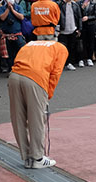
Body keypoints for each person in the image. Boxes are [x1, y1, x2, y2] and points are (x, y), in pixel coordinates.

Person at [8, 39, 68, 169]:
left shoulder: (30, 43)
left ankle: (27, 157)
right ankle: (37, 158)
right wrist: (47, 95)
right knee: (37, 119)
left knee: (18, 118)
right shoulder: (61, 48)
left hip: (14, 76)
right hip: (35, 78)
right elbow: (55, 73)